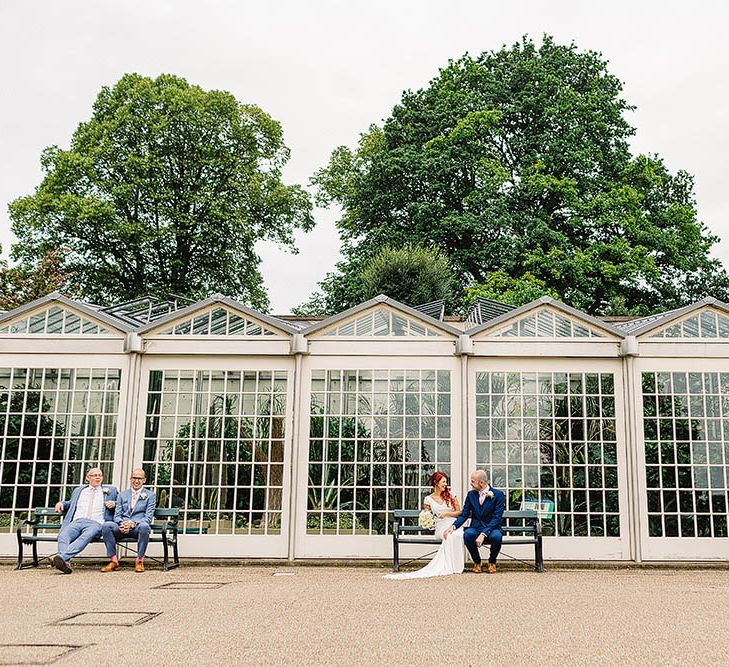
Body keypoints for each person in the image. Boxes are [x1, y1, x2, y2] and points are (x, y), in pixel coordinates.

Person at [384, 471, 464, 579]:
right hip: (441, 527)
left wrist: (446, 514)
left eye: (446, 482)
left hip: (453, 524)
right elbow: (427, 515)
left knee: (457, 535)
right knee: (448, 536)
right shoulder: (428, 499)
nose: (445, 484)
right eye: (443, 482)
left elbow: (459, 512)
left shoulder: (451, 495)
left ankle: (456, 566)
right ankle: (449, 566)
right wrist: (429, 521)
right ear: (436, 482)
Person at [50, 467, 118, 574]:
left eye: (100, 475)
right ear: (87, 478)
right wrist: (62, 503)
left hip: (95, 523)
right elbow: (71, 503)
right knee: (63, 535)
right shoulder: (79, 490)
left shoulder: (111, 490)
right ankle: (65, 563)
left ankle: (61, 557)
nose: (98, 477)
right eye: (95, 475)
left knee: (86, 536)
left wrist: (115, 503)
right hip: (77, 521)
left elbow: (123, 503)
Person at [443, 469, 505, 573]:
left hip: (492, 527)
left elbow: (497, 518)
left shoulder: (498, 495)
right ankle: (477, 562)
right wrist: (453, 527)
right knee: (467, 534)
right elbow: (464, 514)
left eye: (472, 481)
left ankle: (492, 562)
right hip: (476, 527)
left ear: (481, 483)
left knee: (497, 537)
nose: (471, 484)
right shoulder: (471, 495)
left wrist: (484, 533)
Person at [100, 468, 156, 573]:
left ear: (144, 480)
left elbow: (148, 517)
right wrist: (122, 523)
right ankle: (113, 561)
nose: (136, 481)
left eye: (139, 478)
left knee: (145, 527)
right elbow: (117, 515)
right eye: (134, 478)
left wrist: (132, 524)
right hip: (122, 526)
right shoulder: (122, 494)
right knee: (106, 526)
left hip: (137, 528)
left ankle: (139, 560)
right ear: (130, 479)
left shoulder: (150, 496)